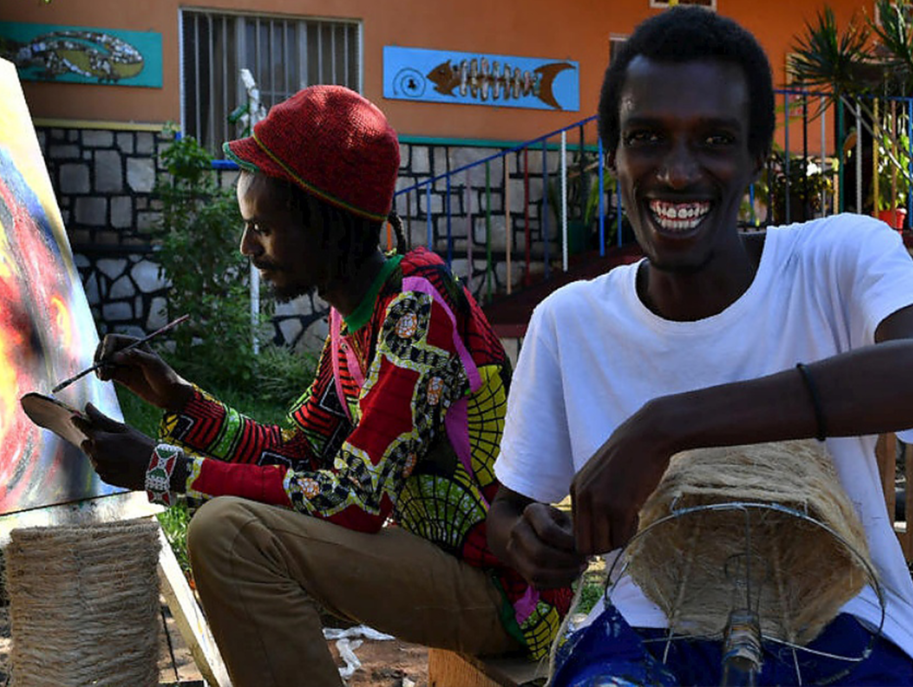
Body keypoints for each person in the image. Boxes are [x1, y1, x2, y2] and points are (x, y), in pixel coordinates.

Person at [485, 7, 913, 686]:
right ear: (612, 154)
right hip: (643, 635)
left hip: (842, 625)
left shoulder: (835, 259)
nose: (676, 172)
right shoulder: (568, 320)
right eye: (645, 137)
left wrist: (665, 426)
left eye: (713, 139)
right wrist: (527, 539)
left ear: (755, 156)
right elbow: (508, 506)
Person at [72, 85, 572, 686]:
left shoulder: (416, 305)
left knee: (228, 534)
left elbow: (353, 499)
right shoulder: (352, 320)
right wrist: (180, 400)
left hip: (508, 594)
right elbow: (301, 452)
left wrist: (165, 467)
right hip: (440, 564)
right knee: (235, 528)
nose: (246, 246)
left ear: (326, 219)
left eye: (263, 227)